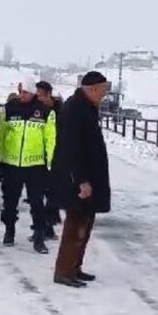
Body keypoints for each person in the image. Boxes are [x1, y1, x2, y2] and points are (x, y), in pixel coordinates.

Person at [52, 71, 111, 288]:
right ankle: (64, 271)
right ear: (93, 89)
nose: (104, 95)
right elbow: (71, 150)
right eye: (103, 90)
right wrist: (82, 180)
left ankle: (75, 267)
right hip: (76, 181)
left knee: (85, 224)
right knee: (75, 225)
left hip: (87, 178)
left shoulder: (86, 107)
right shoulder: (75, 110)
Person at [0, 76, 56, 254]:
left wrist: (50, 163)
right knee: (10, 202)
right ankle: (9, 231)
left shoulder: (45, 112)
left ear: (33, 93)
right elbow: (0, 136)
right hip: (12, 164)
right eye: (20, 91)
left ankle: (39, 237)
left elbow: (50, 139)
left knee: (37, 203)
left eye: (25, 92)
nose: (21, 95)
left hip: (35, 166)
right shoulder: (8, 110)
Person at [36, 81, 62, 239]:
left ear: (48, 94)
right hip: (41, 155)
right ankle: (47, 227)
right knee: (42, 192)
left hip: (58, 157)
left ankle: (48, 227)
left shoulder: (61, 111)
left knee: (53, 193)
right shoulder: (39, 109)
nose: (37, 98)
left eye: (40, 95)